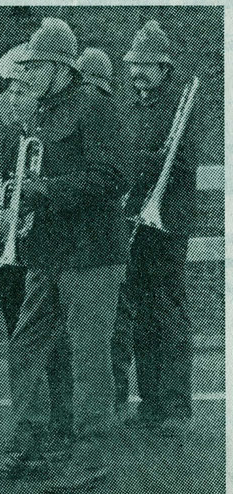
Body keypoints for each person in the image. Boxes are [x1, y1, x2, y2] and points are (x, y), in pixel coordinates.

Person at [0, 18, 128, 494]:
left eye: (34, 64)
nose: (26, 71)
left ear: (60, 67)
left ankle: (90, 458)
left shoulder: (95, 107)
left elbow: (112, 178)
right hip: (47, 252)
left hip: (91, 255)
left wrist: (43, 191)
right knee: (25, 345)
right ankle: (30, 446)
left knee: (88, 357)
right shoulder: (41, 111)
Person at [113, 20, 199, 437]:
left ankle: (176, 406)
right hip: (136, 220)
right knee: (142, 314)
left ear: (163, 69)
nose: (137, 72)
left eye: (147, 65)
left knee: (168, 312)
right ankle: (149, 401)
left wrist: (144, 163)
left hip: (167, 224)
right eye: (134, 65)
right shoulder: (129, 107)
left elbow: (182, 165)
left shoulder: (180, 105)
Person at [0, 43, 75, 459]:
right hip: (30, 243)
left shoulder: (51, 126)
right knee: (27, 339)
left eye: (22, 91)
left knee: (56, 343)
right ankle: (36, 436)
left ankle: (59, 431)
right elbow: (5, 177)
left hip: (64, 249)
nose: (11, 100)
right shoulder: (13, 123)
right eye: (12, 90)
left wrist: (32, 194)